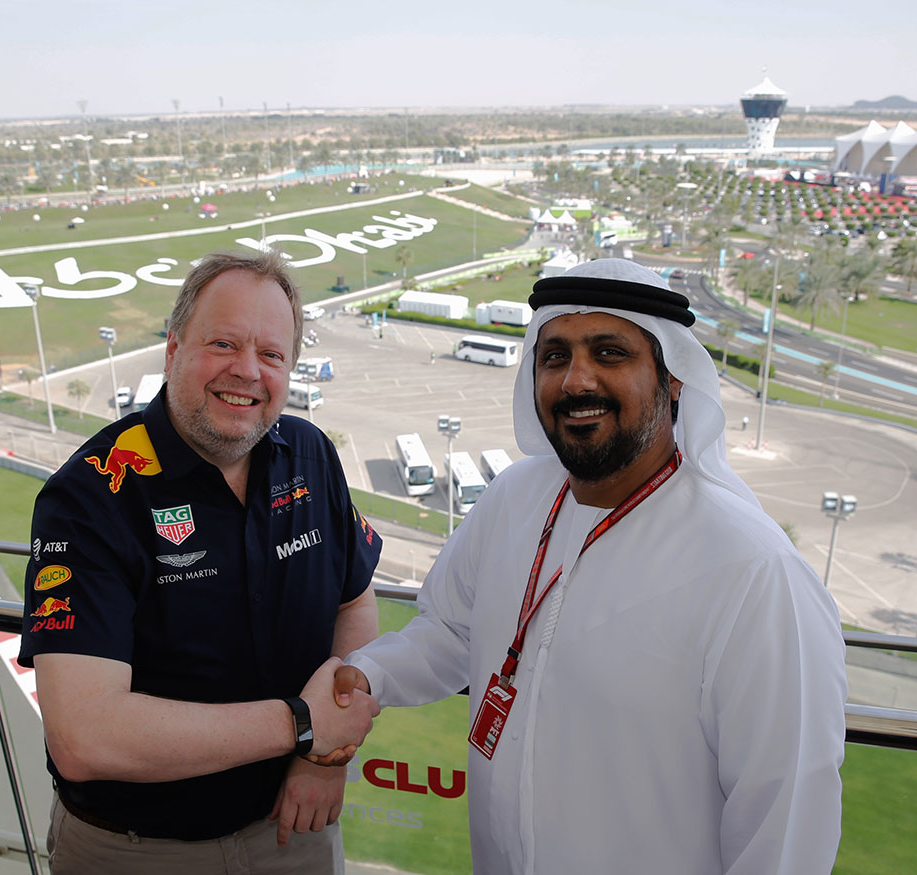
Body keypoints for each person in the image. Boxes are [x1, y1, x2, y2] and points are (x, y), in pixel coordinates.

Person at [330, 258, 847, 873]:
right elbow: (451, 631)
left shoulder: (754, 572)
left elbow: (784, 827)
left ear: (673, 377)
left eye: (609, 353)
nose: (576, 380)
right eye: (555, 357)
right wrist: (367, 676)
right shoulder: (514, 497)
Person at [18, 250, 382, 873]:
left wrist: (325, 758)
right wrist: (301, 725)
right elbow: (84, 735)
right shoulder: (91, 495)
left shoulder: (311, 456)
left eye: (271, 355)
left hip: (294, 830)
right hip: (136, 850)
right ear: (173, 347)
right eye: (223, 344)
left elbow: (354, 601)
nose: (247, 371)